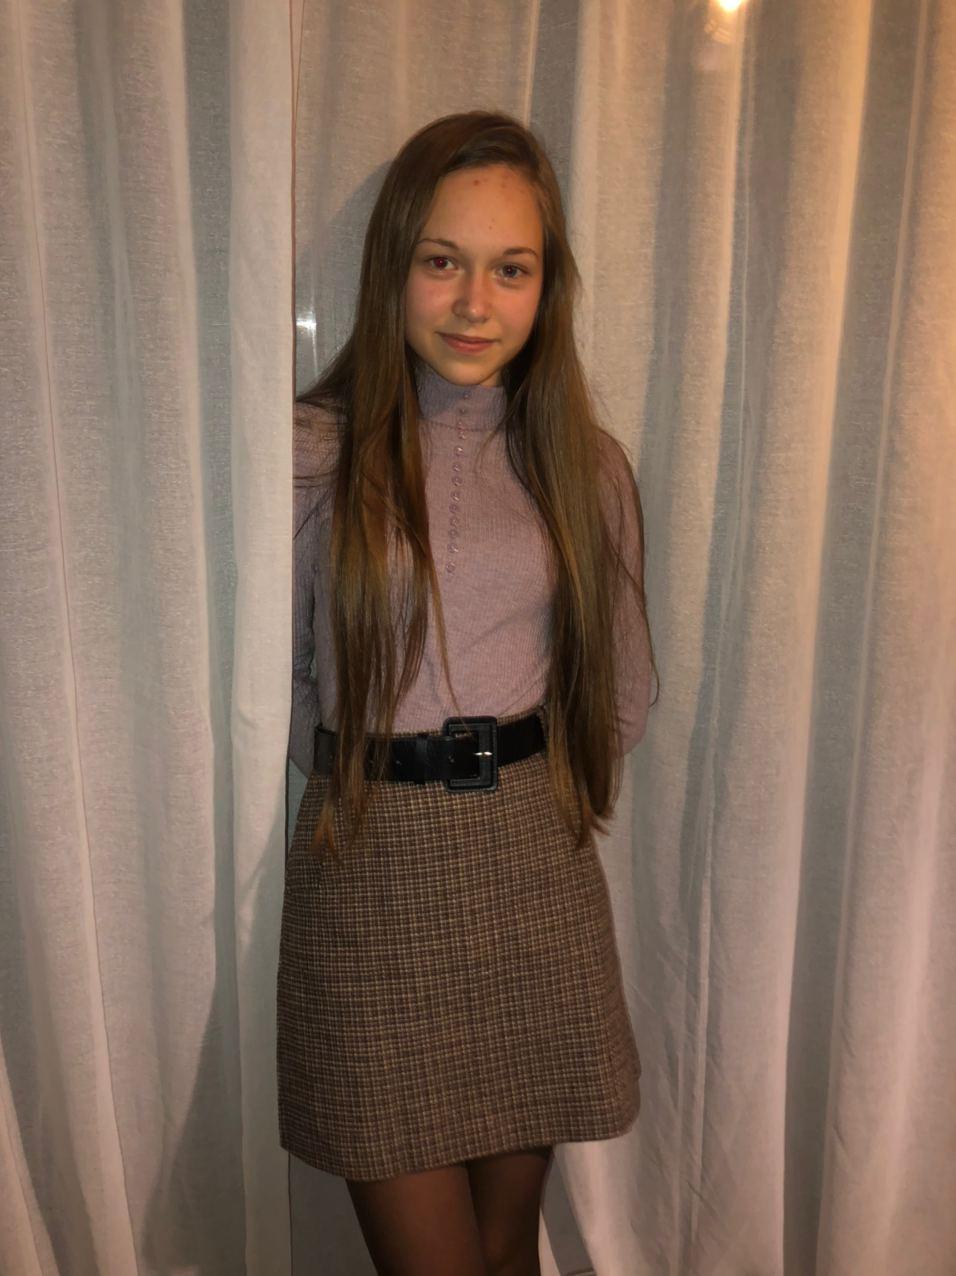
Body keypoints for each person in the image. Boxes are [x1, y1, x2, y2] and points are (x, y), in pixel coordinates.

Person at [277, 110, 658, 1276]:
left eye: (511, 269)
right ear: (391, 264)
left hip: (530, 874)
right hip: (368, 873)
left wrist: (542, 783)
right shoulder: (308, 454)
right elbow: (265, 683)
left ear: (548, 285)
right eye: (441, 261)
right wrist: (353, 763)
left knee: (505, 1253)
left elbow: (621, 685)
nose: (474, 304)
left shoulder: (581, 463)